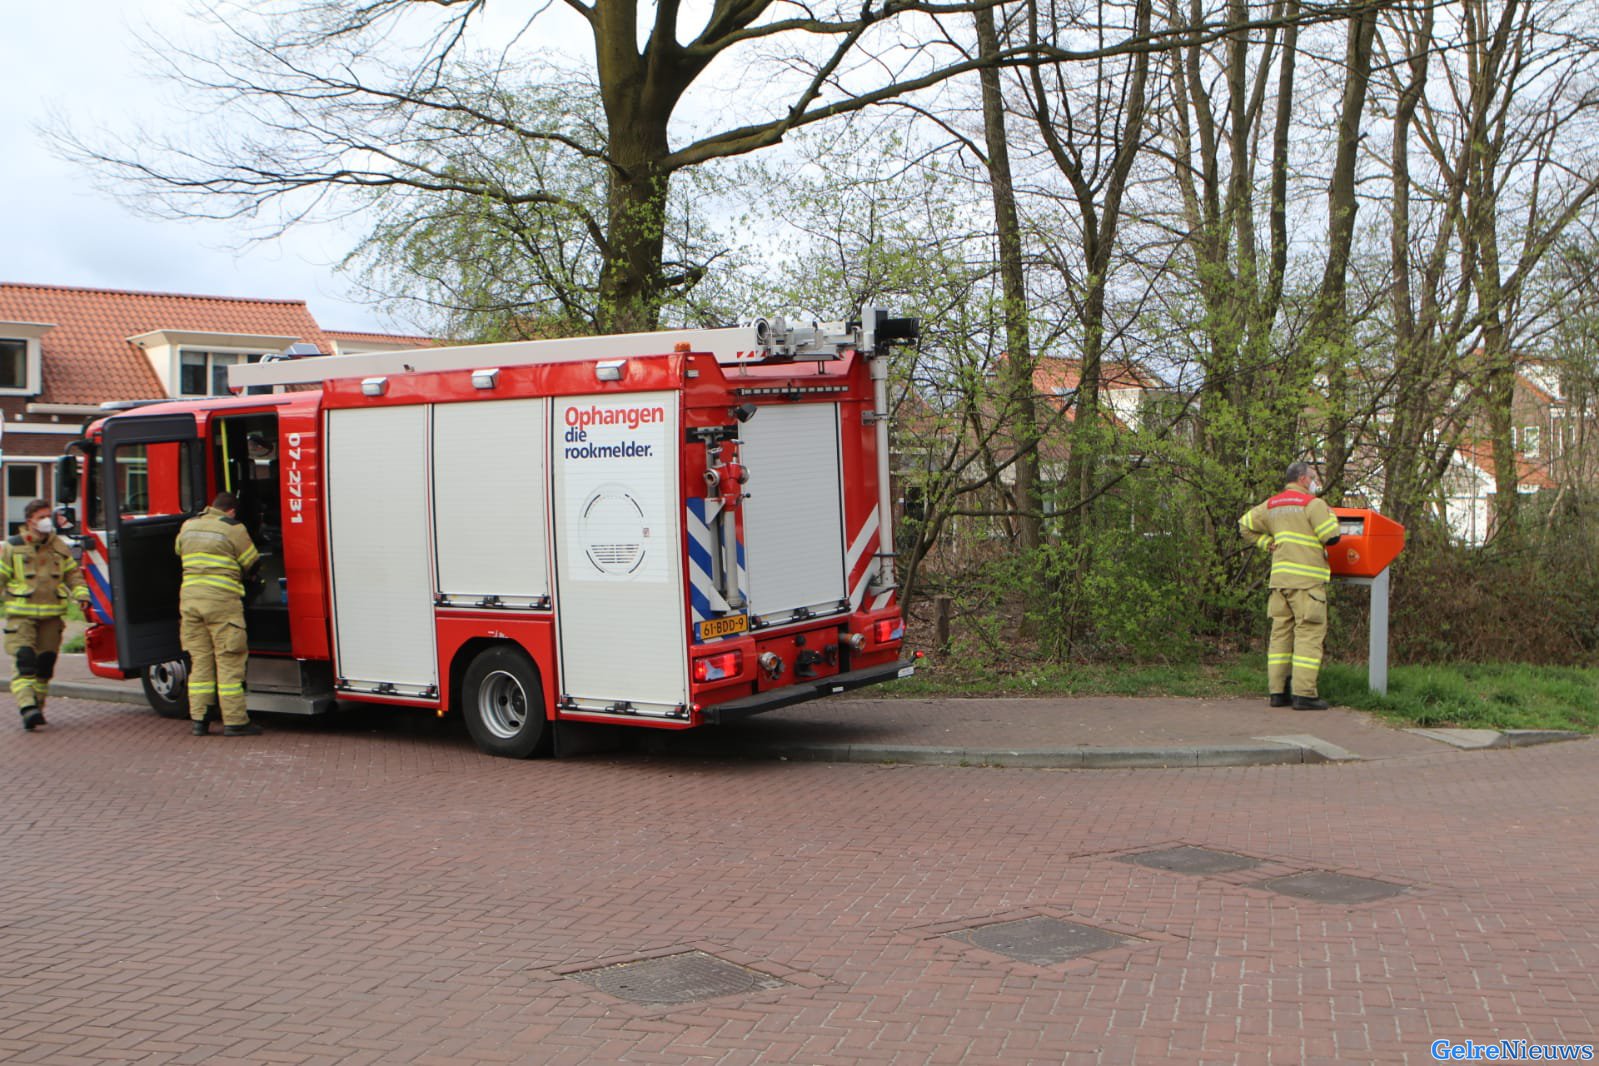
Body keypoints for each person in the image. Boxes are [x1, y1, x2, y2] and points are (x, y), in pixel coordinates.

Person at [1238, 461, 1342, 711]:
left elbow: (1244, 525)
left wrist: (1265, 543)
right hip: (1307, 583)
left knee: (1280, 637)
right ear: (1304, 479)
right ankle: (1304, 694)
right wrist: (1328, 513)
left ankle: (1277, 692)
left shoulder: (1271, 505)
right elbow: (1333, 536)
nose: (1316, 481)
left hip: (1280, 582)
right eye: (1314, 477)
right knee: (1309, 635)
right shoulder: (1313, 505)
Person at [176, 492, 262, 736]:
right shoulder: (233, 528)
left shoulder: (188, 525)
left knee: (200, 661)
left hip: (190, 601)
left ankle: (200, 720)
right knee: (228, 660)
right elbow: (252, 563)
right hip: (221, 602)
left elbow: (178, 551)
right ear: (231, 511)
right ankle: (235, 721)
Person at [3, 499, 90, 730]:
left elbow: (73, 575)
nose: (45, 521)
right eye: (41, 516)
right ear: (29, 520)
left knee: (45, 664)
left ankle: (36, 709)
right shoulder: (12, 547)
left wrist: (82, 595)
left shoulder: (58, 547)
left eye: (48, 516)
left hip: (52, 615)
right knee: (25, 661)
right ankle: (26, 706)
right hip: (21, 615)